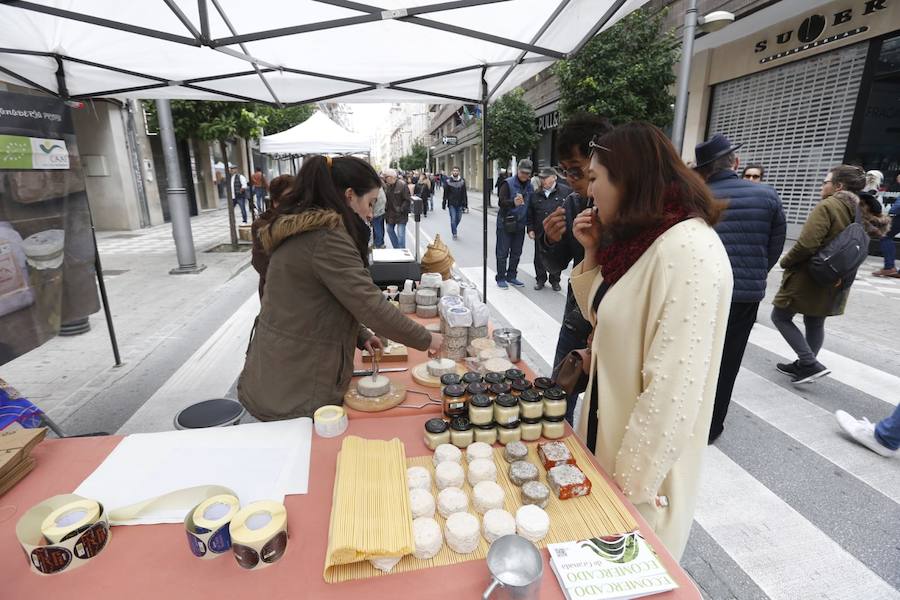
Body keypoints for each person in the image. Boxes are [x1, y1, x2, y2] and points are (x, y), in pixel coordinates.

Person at [569, 122, 731, 561]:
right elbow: (604, 317)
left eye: (595, 178)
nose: (590, 192)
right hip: (605, 446)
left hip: (641, 481)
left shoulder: (689, 250)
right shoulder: (639, 238)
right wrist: (590, 251)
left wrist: (624, 495)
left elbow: (672, 396)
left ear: (629, 177)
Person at [238, 156, 443, 420]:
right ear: (349, 195)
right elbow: (370, 305)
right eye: (369, 203)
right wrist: (427, 338)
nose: (370, 214)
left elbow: (320, 300)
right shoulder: (326, 238)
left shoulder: (312, 230)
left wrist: (360, 334)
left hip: (284, 368)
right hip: (295, 381)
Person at [695, 134, 786, 444]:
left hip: (701, 291)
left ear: (703, 170)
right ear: (734, 163)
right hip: (744, 294)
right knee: (728, 359)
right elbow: (773, 249)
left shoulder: (696, 197)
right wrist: (753, 273)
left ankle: (686, 418)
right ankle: (712, 426)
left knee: (694, 355)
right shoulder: (767, 196)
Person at [772, 165, 889, 384]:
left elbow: (807, 244)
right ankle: (804, 365)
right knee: (815, 322)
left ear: (838, 186)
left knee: (780, 316)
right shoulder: (860, 209)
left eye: (825, 181)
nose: (821, 185)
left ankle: (808, 363)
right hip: (839, 277)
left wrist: (786, 262)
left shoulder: (829, 205)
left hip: (810, 276)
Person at [538, 113, 614, 412]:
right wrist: (550, 240)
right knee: (557, 400)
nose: (571, 182)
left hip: (612, 327)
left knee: (602, 409)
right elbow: (555, 266)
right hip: (576, 321)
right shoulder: (573, 203)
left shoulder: (628, 211)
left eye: (578, 173)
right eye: (564, 172)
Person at [527, 167, 571, 291]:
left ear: (554, 177)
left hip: (558, 231)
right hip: (540, 231)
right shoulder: (535, 194)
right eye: (541, 178)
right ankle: (540, 279)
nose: (543, 181)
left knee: (556, 255)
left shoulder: (565, 192)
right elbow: (530, 213)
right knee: (539, 257)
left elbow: (570, 211)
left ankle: (555, 280)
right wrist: (530, 228)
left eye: (545, 178)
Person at [251, 174, 294, 298]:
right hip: (275, 293)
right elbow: (261, 262)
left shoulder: (301, 219)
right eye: (289, 197)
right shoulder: (262, 225)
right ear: (275, 202)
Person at [495, 159, 533, 289]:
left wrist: (530, 227)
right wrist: (513, 203)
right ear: (518, 170)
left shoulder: (530, 186)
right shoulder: (507, 183)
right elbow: (501, 202)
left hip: (520, 224)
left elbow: (531, 207)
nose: (524, 175)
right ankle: (500, 277)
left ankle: (511, 276)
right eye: (522, 172)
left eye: (527, 173)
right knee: (502, 252)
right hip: (506, 222)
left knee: (516, 252)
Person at [383, 168, 411, 248]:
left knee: (401, 234)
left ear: (392, 177)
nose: (385, 179)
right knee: (389, 230)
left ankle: (401, 251)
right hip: (390, 214)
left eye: (386, 177)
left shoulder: (402, 185)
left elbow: (407, 200)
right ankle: (397, 248)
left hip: (400, 214)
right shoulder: (388, 186)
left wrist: (401, 209)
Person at [442, 166, 468, 240]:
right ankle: (454, 233)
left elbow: (464, 193)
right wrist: (444, 203)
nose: (455, 172)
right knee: (453, 219)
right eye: (454, 171)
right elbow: (445, 193)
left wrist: (465, 204)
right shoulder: (448, 181)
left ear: (459, 172)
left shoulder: (462, 181)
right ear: (452, 172)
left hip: (460, 203)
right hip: (451, 204)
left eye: (457, 171)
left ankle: (454, 228)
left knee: (458, 218)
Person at [372, 183, 387, 249]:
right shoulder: (381, 188)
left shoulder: (374, 190)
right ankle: (381, 243)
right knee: (381, 227)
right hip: (381, 211)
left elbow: (373, 201)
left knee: (377, 228)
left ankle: (378, 243)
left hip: (376, 212)